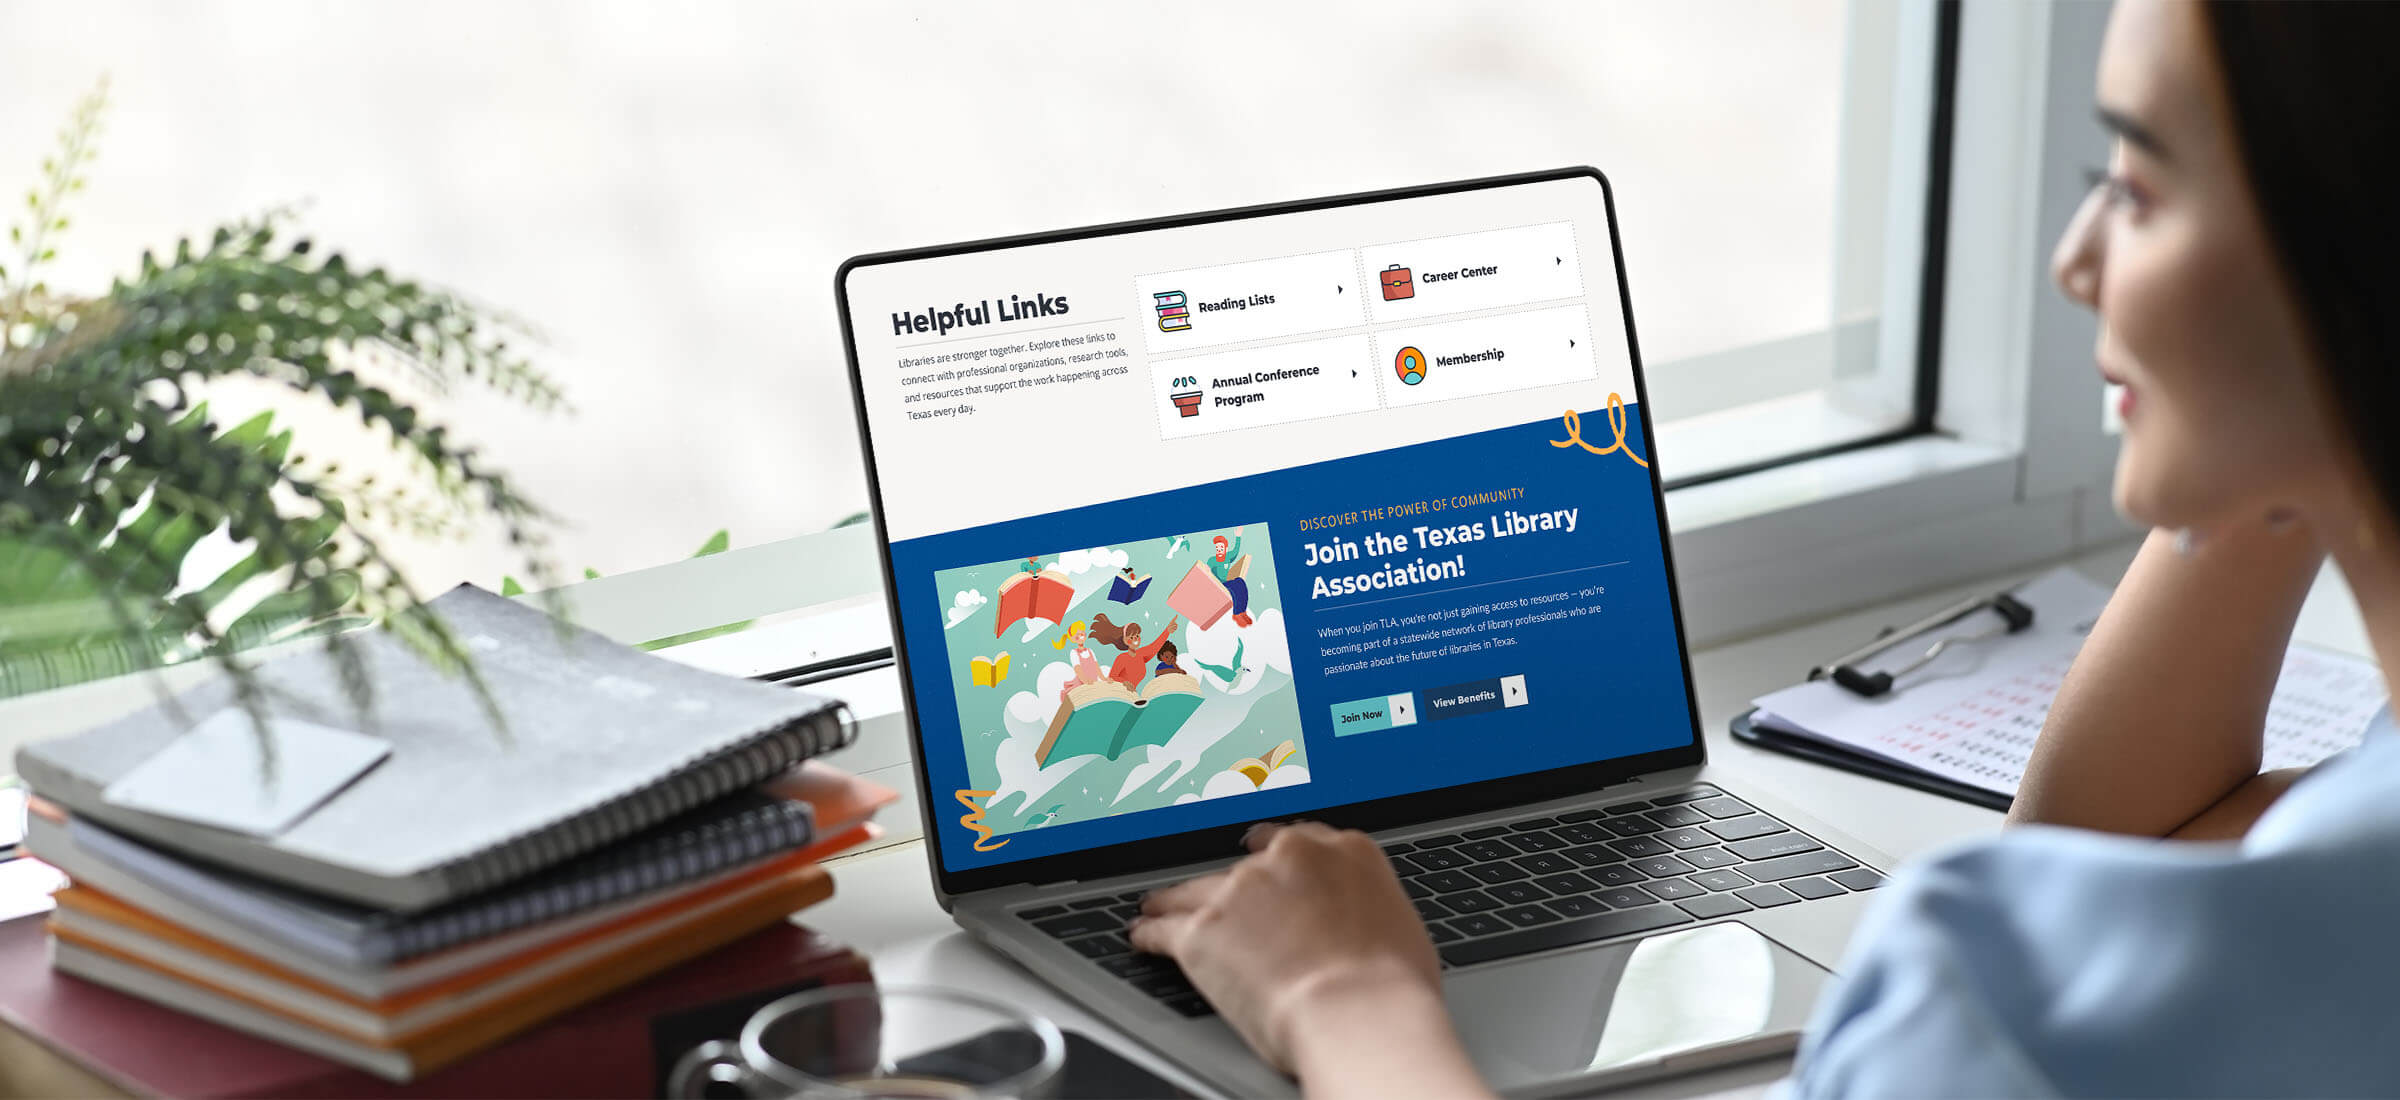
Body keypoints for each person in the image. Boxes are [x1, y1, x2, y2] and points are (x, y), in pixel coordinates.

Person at [1129, 3, 2400, 1095]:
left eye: (2136, 186)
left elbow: (2056, 930)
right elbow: (2099, 858)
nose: (2076, 262)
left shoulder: (1980, 994)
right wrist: (2301, 425)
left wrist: (1346, 997)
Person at [1089, 613, 1178, 692]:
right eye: (1131, 637)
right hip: (1118, 692)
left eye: (1137, 636)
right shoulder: (1122, 658)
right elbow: (1112, 677)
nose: (1135, 639)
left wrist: (1167, 631)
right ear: (1124, 640)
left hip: (1132, 693)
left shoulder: (1141, 654)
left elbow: (1155, 646)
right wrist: (1124, 682)